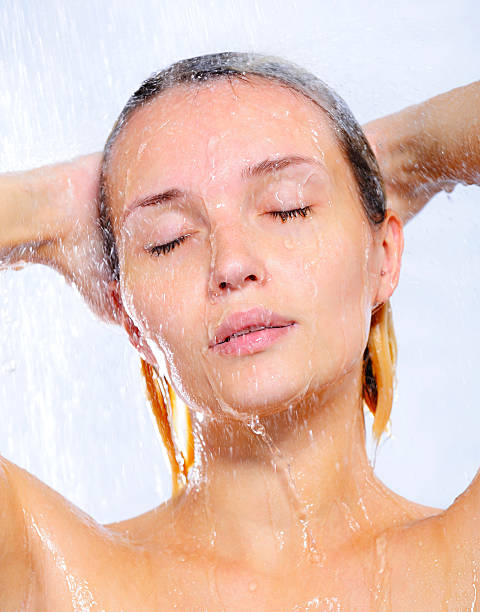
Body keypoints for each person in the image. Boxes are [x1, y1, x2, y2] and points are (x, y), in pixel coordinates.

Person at [0, 52, 478, 610]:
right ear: (130, 318)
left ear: (384, 256)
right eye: (168, 239)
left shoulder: (466, 560)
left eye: (288, 208)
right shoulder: (45, 567)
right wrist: (47, 208)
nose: (231, 265)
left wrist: (406, 154)